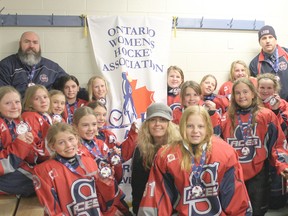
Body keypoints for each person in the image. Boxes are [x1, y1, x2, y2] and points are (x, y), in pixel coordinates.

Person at [139, 106, 252, 215]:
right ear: (182, 126)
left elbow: (235, 196)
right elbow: (157, 198)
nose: (195, 131)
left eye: (200, 126)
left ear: (208, 127)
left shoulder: (226, 152)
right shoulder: (166, 155)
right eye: (190, 126)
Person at [220, 77, 288, 216]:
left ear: (253, 93)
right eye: (237, 93)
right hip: (233, 175)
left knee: (257, 212)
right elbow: (218, 149)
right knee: (235, 211)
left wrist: (282, 164)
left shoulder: (266, 115)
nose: (241, 96)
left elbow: (277, 144)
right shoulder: (226, 118)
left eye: (245, 92)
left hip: (258, 174)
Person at [33, 122, 116, 215]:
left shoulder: (90, 162)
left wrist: (105, 183)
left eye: (71, 139)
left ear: (77, 139)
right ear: (52, 146)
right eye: (61, 142)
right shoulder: (44, 170)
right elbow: (52, 210)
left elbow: (103, 202)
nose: (68, 145)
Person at [73, 106, 131, 216]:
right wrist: (110, 209)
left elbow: (115, 177)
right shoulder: (75, 150)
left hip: (111, 194)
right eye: (85, 125)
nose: (91, 129)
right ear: (75, 127)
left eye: (94, 124)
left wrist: (116, 162)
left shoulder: (99, 143)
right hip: (96, 203)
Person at [131, 102, 181, 215]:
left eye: (162, 120)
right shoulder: (140, 150)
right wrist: (137, 211)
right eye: (153, 120)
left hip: (174, 210)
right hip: (149, 209)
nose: (157, 124)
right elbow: (137, 185)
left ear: (169, 124)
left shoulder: (178, 147)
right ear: (147, 123)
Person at [0, 31, 68, 98]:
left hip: (45, 108)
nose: (31, 46)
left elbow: (70, 84)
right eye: (27, 42)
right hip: (17, 108)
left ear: (39, 46)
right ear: (20, 44)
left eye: (35, 42)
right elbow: (2, 95)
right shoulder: (6, 66)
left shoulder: (52, 68)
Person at [257, 73, 288, 209]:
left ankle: (278, 197)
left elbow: (284, 129)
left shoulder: (283, 104)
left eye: (269, 88)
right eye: (262, 87)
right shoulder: (252, 103)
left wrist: (275, 111)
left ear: (275, 90)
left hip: (279, 144)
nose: (265, 91)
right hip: (258, 146)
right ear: (256, 89)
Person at [0, 86, 35, 196]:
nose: (14, 106)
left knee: (47, 174)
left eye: (17, 102)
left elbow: (27, 159)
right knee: (38, 183)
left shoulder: (16, 123)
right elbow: (3, 165)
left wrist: (29, 145)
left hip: (13, 168)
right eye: (8, 103)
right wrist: (20, 145)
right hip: (4, 171)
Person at [249, 25, 288, 101]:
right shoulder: (254, 64)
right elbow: (256, 89)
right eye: (264, 38)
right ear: (259, 42)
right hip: (268, 106)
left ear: (275, 39)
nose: (267, 41)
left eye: (270, 37)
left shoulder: (286, 53)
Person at [22, 85, 52, 162]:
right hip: (37, 161)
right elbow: (32, 147)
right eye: (37, 98)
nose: (43, 101)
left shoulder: (45, 115)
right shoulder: (30, 116)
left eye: (45, 97)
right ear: (29, 102)